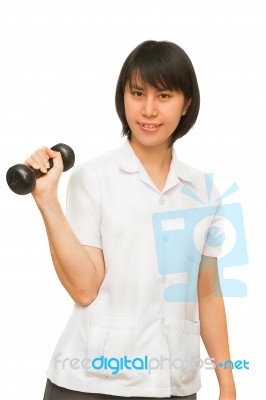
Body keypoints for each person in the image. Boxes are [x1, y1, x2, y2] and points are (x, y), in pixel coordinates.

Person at [25, 40, 236, 400]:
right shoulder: (92, 178)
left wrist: (227, 382)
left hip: (175, 385)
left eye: (164, 96)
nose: (148, 110)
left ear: (186, 103)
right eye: (137, 93)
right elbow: (84, 287)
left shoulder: (205, 191)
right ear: (122, 97)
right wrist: (47, 201)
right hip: (92, 384)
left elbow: (208, 294)